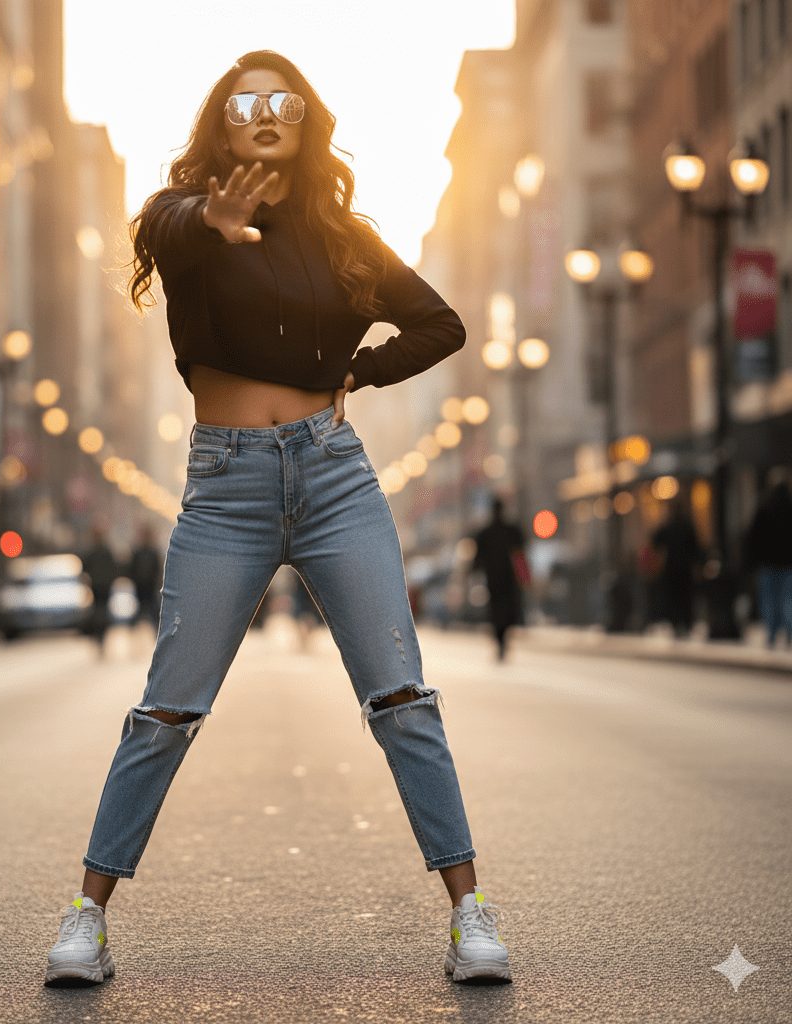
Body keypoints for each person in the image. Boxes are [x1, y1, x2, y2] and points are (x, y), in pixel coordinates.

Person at [44, 51, 511, 987]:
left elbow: (442, 323)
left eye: (283, 102)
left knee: (401, 697)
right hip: (226, 487)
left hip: (334, 477)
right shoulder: (182, 221)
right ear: (222, 123)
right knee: (168, 709)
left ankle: (470, 915)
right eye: (245, 102)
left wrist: (357, 375)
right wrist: (216, 221)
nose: (264, 113)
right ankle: (86, 919)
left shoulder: (344, 238)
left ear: (306, 123)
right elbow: (173, 226)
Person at [471, 498, 527, 661]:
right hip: (505, 580)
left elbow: (478, 559)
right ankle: (502, 641)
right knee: (505, 611)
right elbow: (520, 555)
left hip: (496, 580)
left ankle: (501, 640)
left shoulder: (487, 533)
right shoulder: (510, 531)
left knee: (499, 612)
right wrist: (523, 577)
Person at [742, 475, 792, 647]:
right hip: (787, 563)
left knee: (770, 599)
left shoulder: (764, 508)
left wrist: (751, 560)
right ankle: (788, 631)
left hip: (768, 563)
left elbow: (753, 537)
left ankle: (771, 633)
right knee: (787, 599)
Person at [650, 500, 703, 638]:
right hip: (685, 568)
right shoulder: (686, 526)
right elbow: (696, 547)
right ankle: (685, 623)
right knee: (685, 598)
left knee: (674, 598)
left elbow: (655, 541)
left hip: (672, 568)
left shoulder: (668, 526)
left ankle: (677, 623)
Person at [80, 528, 120, 655]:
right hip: (101, 587)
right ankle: (100, 636)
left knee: (98, 612)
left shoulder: (94, 551)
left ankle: (99, 636)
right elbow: (114, 568)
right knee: (101, 612)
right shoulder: (104, 551)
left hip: (99, 587)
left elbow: (85, 568)